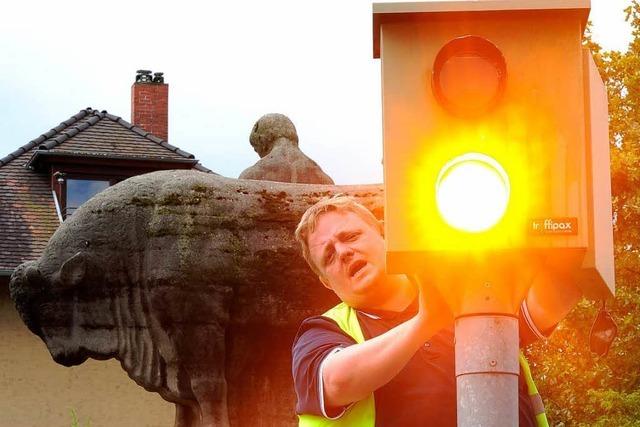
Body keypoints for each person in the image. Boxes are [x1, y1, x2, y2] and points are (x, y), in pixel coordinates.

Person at [292, 195, 581, 426]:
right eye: (328, 255)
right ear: (326, 282)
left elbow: (551, 300)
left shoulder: (466, 285)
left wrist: (561, 232)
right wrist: (426, 322)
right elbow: (337, 382)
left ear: (383, 233)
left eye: (351, 237)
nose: (343, 252)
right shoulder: (322, 331)